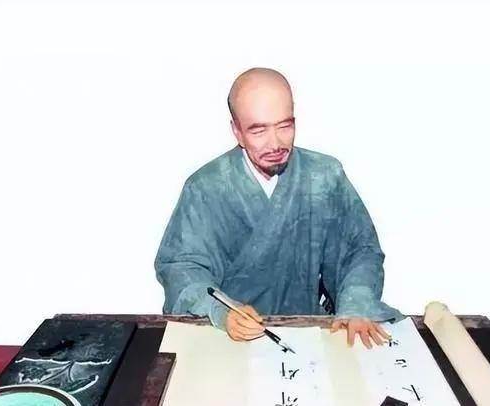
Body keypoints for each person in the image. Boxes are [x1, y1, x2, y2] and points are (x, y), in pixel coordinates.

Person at [155, 67, 404, 348]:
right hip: (229, 335)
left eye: (285, 126)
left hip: (308, 329)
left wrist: (356, 304)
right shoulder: (206, 187)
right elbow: (181, 267)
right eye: (258, 130)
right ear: (237, 131)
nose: (275, 143)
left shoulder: (323, 176)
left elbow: (359, 250)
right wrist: (219, 311)